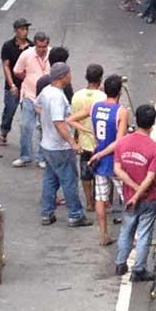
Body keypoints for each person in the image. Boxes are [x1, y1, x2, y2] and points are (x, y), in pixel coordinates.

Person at [70, 74, 128, 245]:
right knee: (127, 197)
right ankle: (129, 235)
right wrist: (102, 153)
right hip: (115, 160)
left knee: (100, 198)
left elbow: (70, 119)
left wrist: (88, 132)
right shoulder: (121, 111)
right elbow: (119, 141)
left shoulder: (95, 106)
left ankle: (103, 235)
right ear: (119, 92)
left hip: (99, 158)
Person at [36, 62, 93, 228]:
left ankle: (46, 213)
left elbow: (37, 106)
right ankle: (75, 215)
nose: (71, 76)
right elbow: (59, 123)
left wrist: (45, 119)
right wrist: (72, 142)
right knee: (69, 180)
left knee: (50, 179)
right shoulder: (57, 97)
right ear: (62, 76)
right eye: (69, 73)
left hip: (47, 144)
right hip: (59, 146)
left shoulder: (46, 91)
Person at [114, 104, 156, 282]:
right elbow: (150, 177)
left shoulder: (122, 143)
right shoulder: (154, 148)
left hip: (128, 197)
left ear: (136, 119)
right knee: (144, 234)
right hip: (148, 198)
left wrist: (133, 190)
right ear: (153, 123)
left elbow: (117, 170)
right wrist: (138, 193)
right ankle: (138, 269)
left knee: (126, 230)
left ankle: (120, 263)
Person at [69, 64, 106, 212]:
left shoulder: (77, 96)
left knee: (85, 174)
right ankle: (100, 200)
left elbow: (74, 119)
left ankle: (89, 202)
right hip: (100, 142)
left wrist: (76, 138)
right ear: (100, 78)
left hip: (83, 140)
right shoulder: (103, 97)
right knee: (100, 173)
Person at [11, 31, 51, 168]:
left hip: (46, 98)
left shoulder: (52, 54)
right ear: (35, 44)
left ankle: (42, 157)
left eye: (44, 47)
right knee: (25, 126)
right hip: (29, 95)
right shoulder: (26, 54)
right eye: (39, 47)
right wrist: (28, 79)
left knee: (44, 128)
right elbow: (17, 71)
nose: (42, 50)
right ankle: (25, 156)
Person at [0, 18, 33, 146]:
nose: (25, 32)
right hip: (13, 85)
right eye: (22, 29)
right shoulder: (8, 46)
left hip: (27, 87)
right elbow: (6, 66)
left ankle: (26, 138)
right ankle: (4, 132)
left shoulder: (31, 46)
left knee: (27, 114)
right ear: (16, 30)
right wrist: (11, 85)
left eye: (26, 29)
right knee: (9, 111)